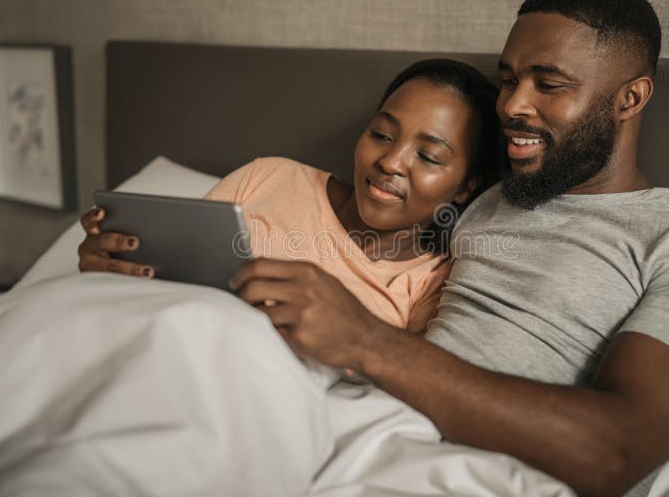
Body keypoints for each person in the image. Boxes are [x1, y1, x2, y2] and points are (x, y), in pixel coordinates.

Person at [226, 0, 669, 496]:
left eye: (549, 84)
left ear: (630, 99)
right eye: (509, 79)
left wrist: (366, 341)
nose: (511, 105)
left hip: (477, 473)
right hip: (353, 426)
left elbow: (617, 450)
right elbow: (361, 232)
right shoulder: (486, 198)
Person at [77, 59, 501, 334]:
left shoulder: (430, 283)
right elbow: (168, 285)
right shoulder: (268, 178)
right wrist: (111, 266)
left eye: (427, 156)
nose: (390, 162)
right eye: (381, 135)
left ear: (466, 186)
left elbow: (412, 379)